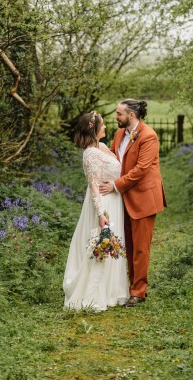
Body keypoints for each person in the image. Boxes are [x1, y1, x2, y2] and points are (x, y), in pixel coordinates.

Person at [99, 99, 167, 307]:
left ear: (131, 115)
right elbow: (111, 157)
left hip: (143, 196)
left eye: (119, 114)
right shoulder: (120, 134)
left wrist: (115, 185)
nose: (115, 117)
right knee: (126, 243)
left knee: (140, 247)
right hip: (123, 198)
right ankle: (125, 287)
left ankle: (138, 291)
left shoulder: (148, 136)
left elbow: (141, 170)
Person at [63, 111, 129, 310]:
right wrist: (101, 214)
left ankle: (112, 290)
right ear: (94, 129)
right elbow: (93, 186)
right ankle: (94, 294)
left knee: (112, 244)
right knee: (102, 244)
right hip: (104, 203)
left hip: (115, 200)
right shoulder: (90, 154)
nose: (106, 127)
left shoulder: (100, 147)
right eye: (103, 125)